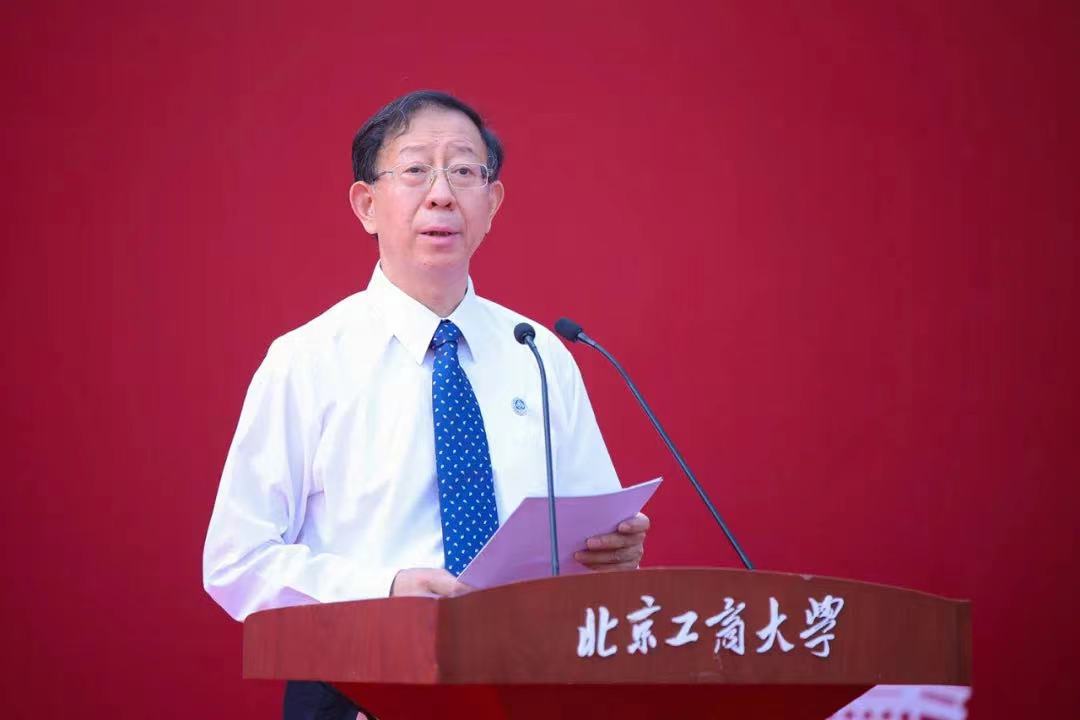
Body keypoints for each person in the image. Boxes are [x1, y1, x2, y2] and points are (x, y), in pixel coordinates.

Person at [202, 90, 650, 719]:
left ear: (492, 204)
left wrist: (612, 552)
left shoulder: (538, 353)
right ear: (367, 205)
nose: (441, 194)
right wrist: (384, 591)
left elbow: (587, 532)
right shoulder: (307, 360)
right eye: (415, 170)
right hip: (358, 689)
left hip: (526, 686)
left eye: (464, 171)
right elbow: (236, 560)